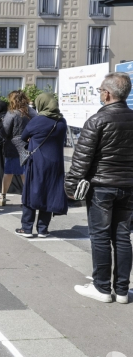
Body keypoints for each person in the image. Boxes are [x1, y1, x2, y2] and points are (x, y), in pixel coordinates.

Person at [67, 72, 133, 304]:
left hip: (102, 186)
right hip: (128, 186)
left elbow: (82, 158)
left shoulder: (97, 120)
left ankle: (102, 288)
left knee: (101, 237)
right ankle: (123, 290)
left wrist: (71, 185)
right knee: (123, 237)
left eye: (99, 91)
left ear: (106, 94)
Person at [15, 93, 68, 238]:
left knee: (31, 193)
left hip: (37, 161)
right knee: (49, 193)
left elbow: (24, 137)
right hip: (55, 163)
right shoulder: (61, 121)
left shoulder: (37, 120)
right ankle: (43, 229)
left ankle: (26, 228)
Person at [0, 91, 33, 206]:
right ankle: (28, 197)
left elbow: (5, 130)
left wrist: (2, 136)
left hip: (13, 145)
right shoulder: (31, 112)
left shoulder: (12, 113)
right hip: (28, 144)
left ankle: (2, 197)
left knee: (8, 172)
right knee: (24, 172)